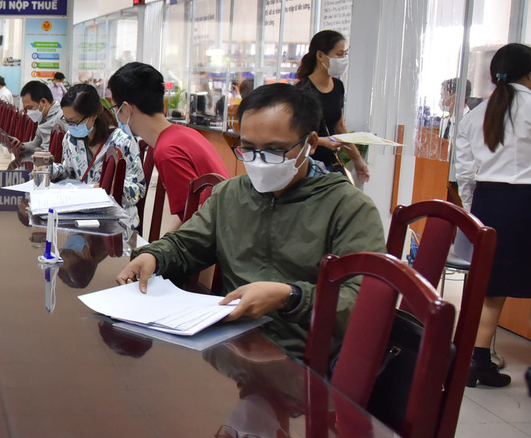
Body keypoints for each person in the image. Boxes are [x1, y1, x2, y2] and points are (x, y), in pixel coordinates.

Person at [117, 84, 386, 354]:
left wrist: (290, 297)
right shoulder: (230, 194)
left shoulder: (348, 208)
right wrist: (154, 255)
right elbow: (187, 245)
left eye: (274, 150)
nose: (258, 161)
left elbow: (366, 303)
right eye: (248, 149)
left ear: (311, 144)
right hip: (230, 345)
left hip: (303, 361)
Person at [455, 43, 531, 388]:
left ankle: (478, 363)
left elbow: (464, 173)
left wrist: (475, 213)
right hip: (526, 201)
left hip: (488, 203)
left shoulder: (474, 115)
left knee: (491, 288)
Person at [109, 62, 229, 233]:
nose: (117, 116)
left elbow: (193, 217)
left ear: (126, 108)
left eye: (115, 108)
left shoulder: (167, 151)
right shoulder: (183, 133)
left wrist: (159, 249)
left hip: (217, 240)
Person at [52, 84, 146, 227]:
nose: (71, 126)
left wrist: (112, 187)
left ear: (93, 115)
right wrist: (49, 170)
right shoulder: (71, 139)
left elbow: (138, 189)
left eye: (75, 121)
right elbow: (68, 171)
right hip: (80, 216)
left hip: (116, 221)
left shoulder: (122, 142)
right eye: (67, 121)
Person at [295, 30, 370, 182]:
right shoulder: (301, 91)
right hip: (307, 166)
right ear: (320, 55)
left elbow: (339, 127)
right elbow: (295, 135)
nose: (343, 59)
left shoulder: (338, 86)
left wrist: (357, 159)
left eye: (344, 54)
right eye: (339, 54)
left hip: (331, 164)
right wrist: (323, 141)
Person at [10, 79, 64, 153]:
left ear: (43, 102)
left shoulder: (63, 118)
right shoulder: (43, 117)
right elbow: (36, 143)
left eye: (30, 108)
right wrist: (22, 146)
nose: (28, 112)